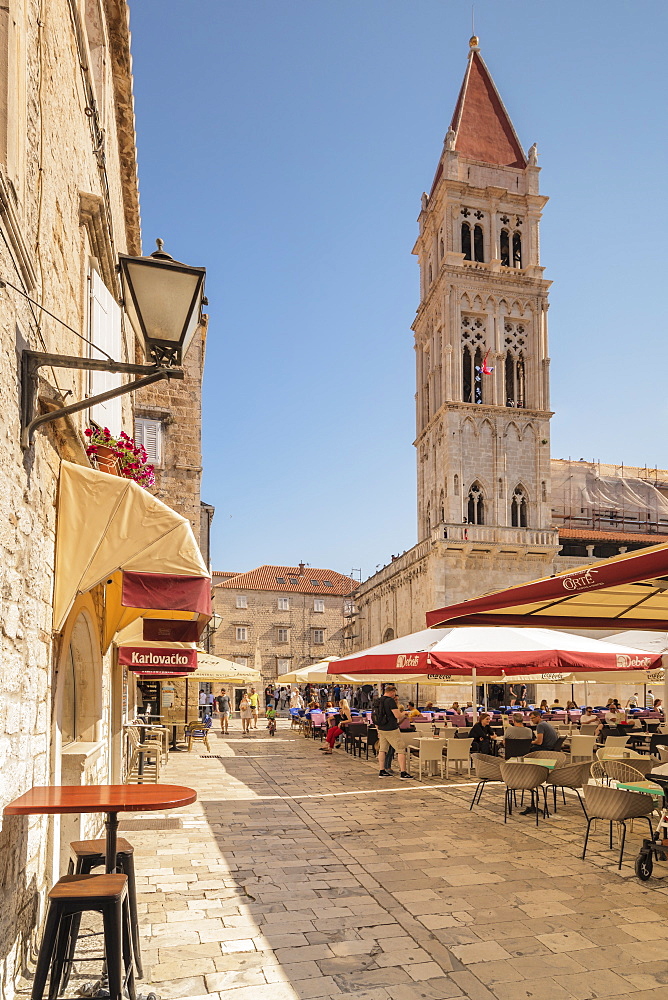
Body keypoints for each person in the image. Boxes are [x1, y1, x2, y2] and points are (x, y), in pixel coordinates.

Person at [372, 684, 413, 779]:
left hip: (381, 728)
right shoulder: (390, 701)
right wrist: (405, 713)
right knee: (400, 749)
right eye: (394, 693)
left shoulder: (378, 700)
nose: (395, 696)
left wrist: (378, 729)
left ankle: (382, 770)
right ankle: (403, 772)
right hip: (391, 728)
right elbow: (397, 716)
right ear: (392, 692)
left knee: (382, 749)